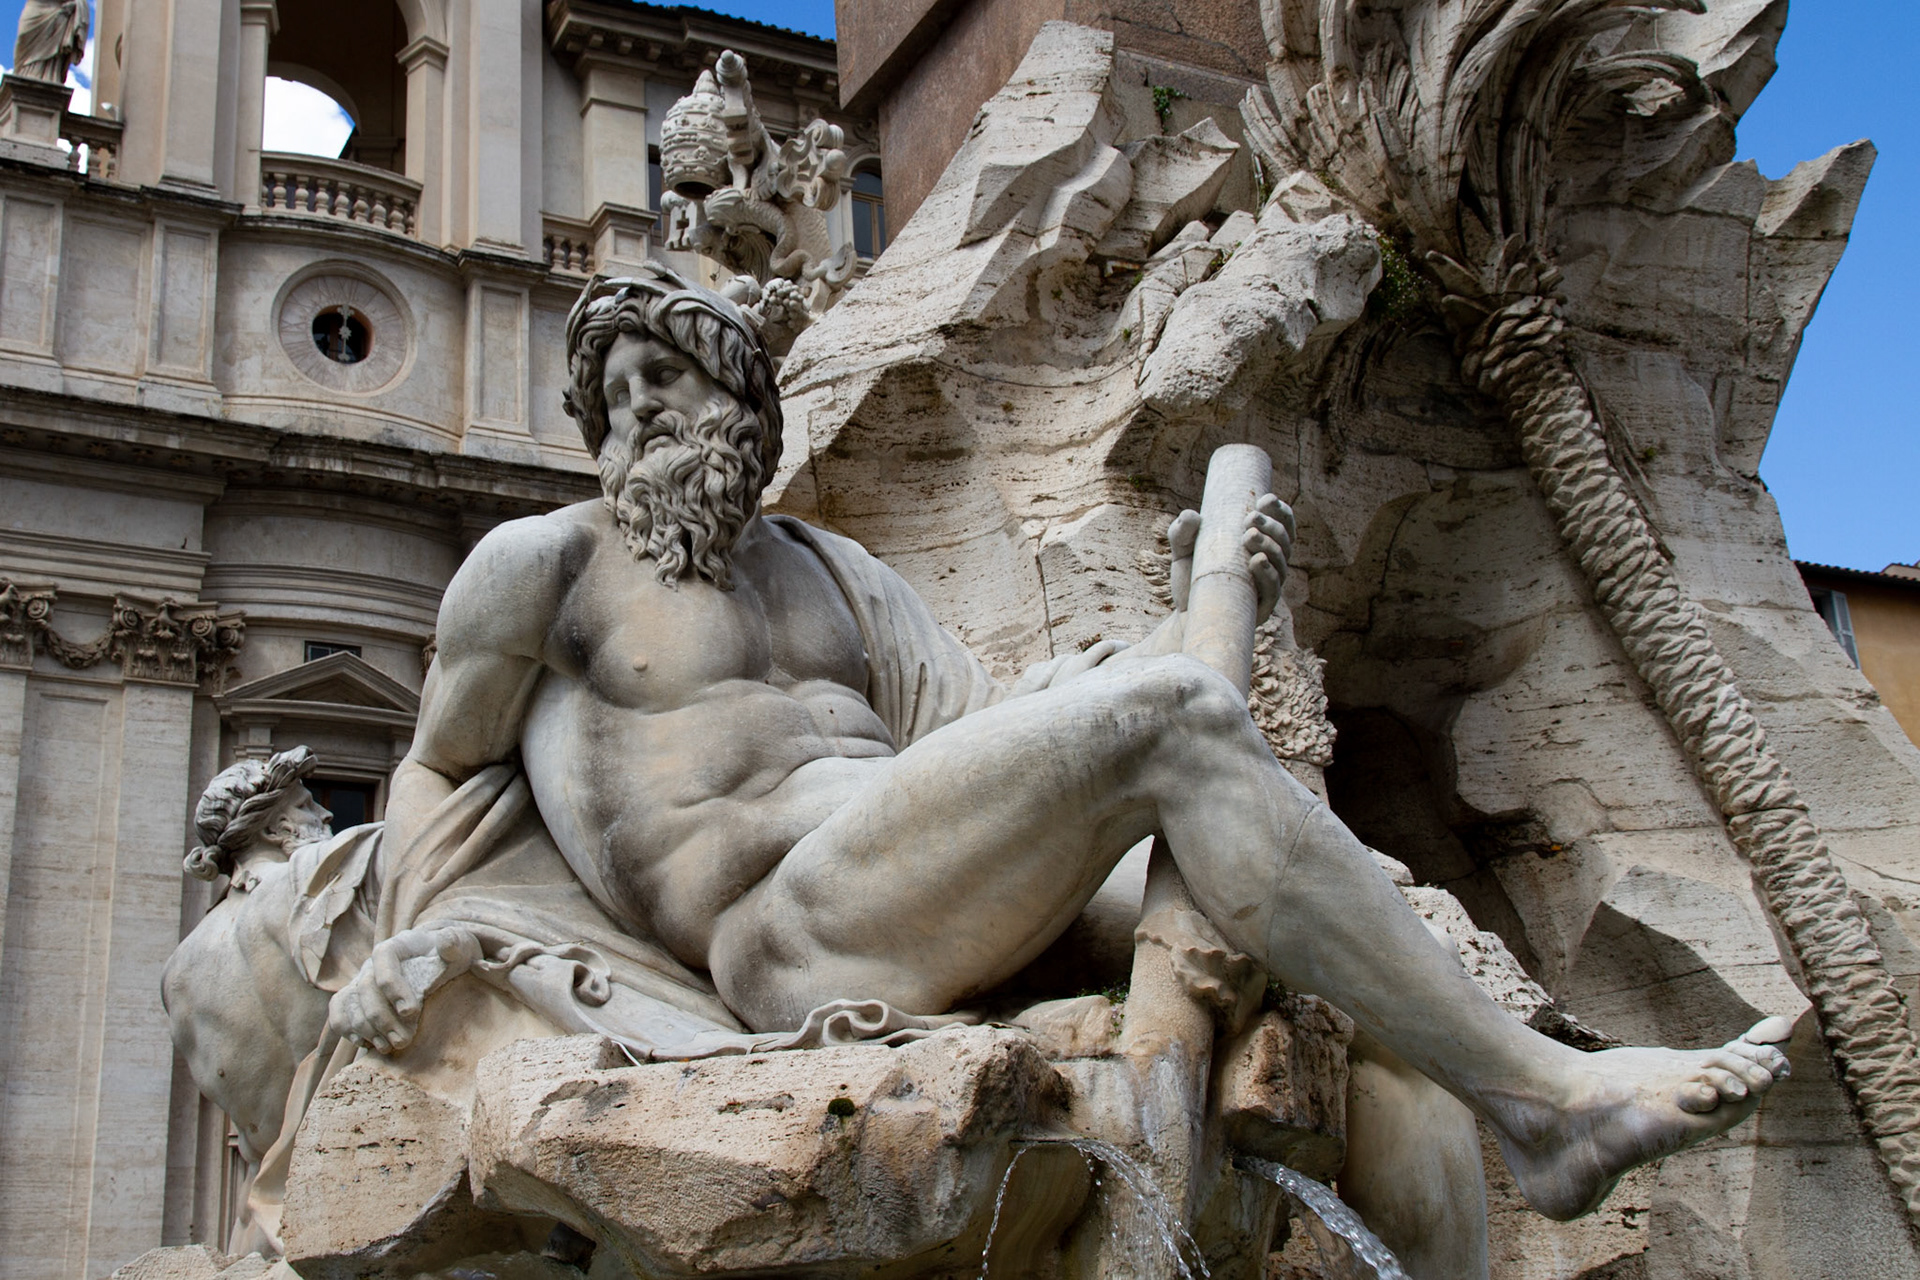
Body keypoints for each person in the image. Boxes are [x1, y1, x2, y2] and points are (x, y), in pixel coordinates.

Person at [329, 265, 1790, 1224]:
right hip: (785, 936)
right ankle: (1547, 1100)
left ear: (744, 401)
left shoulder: (841, 577)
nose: (641, 409)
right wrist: (424, 940)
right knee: (1169, 720)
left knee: (1353, 1022)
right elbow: (443, 772)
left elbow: (998, 748)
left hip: (924, 876)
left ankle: (1515, 1126)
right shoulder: (543, 566)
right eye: (616, 394)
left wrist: (1209, 598)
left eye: (672, 376)